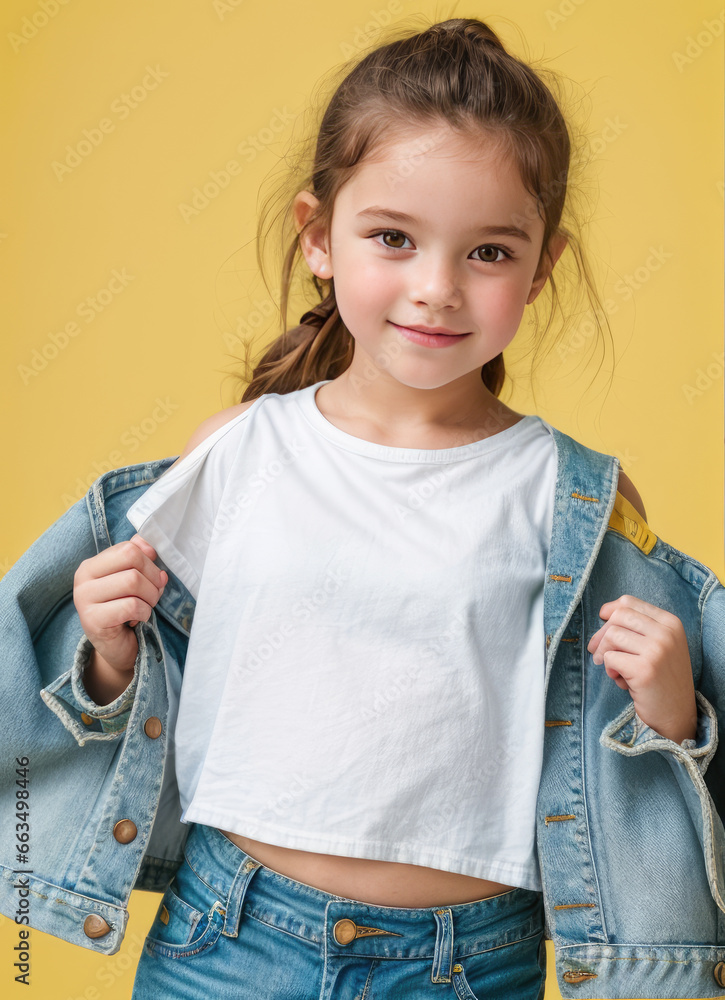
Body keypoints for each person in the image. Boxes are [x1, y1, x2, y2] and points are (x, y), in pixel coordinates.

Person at [18, 16, 724, 1000]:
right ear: (318, 236)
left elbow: (627, 756)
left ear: (541, 267)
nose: (435, 289)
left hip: (465, 966)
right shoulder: (239, 451)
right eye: (392, 238)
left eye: (486, 251)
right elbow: (138, 699)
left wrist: (670, 708)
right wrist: (106, 654)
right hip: (223, 944)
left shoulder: (572, 495)